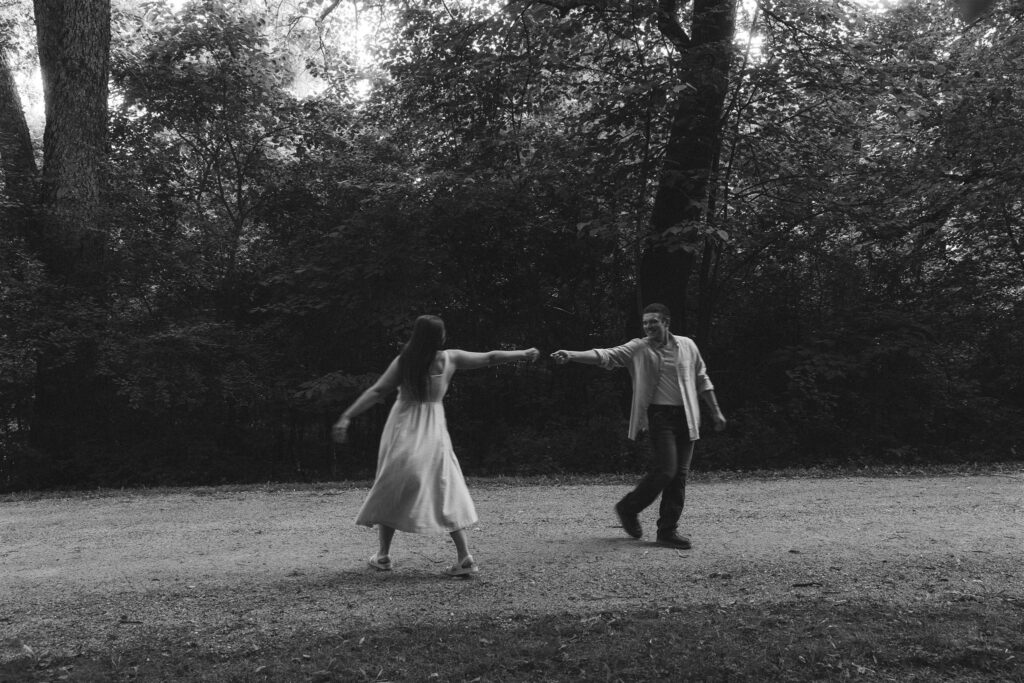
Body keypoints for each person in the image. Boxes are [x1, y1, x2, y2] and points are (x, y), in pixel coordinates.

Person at [333, 315, 539, 576]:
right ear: (440, 337)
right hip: (433, 430)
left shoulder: (405, 362)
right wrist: (523, 353)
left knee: (392, 483)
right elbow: (490, 358)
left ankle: (383, 555)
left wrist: (347, 416)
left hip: (403, 427)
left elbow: (377, 391)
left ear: (416, 335)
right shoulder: (449, 358)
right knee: (445, 485)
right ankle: (464, 557)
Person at [551, 303, 726, 549]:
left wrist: (716, 412)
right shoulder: (638, 348)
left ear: (666, 322)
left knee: (679, 476)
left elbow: (702, 378)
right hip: (659, 417)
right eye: (645, 323)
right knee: (666, 470)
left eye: (653, 321)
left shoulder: (687, 345)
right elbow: (606, 355)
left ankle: (667, 531)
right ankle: (628, 508)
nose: (648, 326)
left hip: (687, 417)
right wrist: (571, 354)